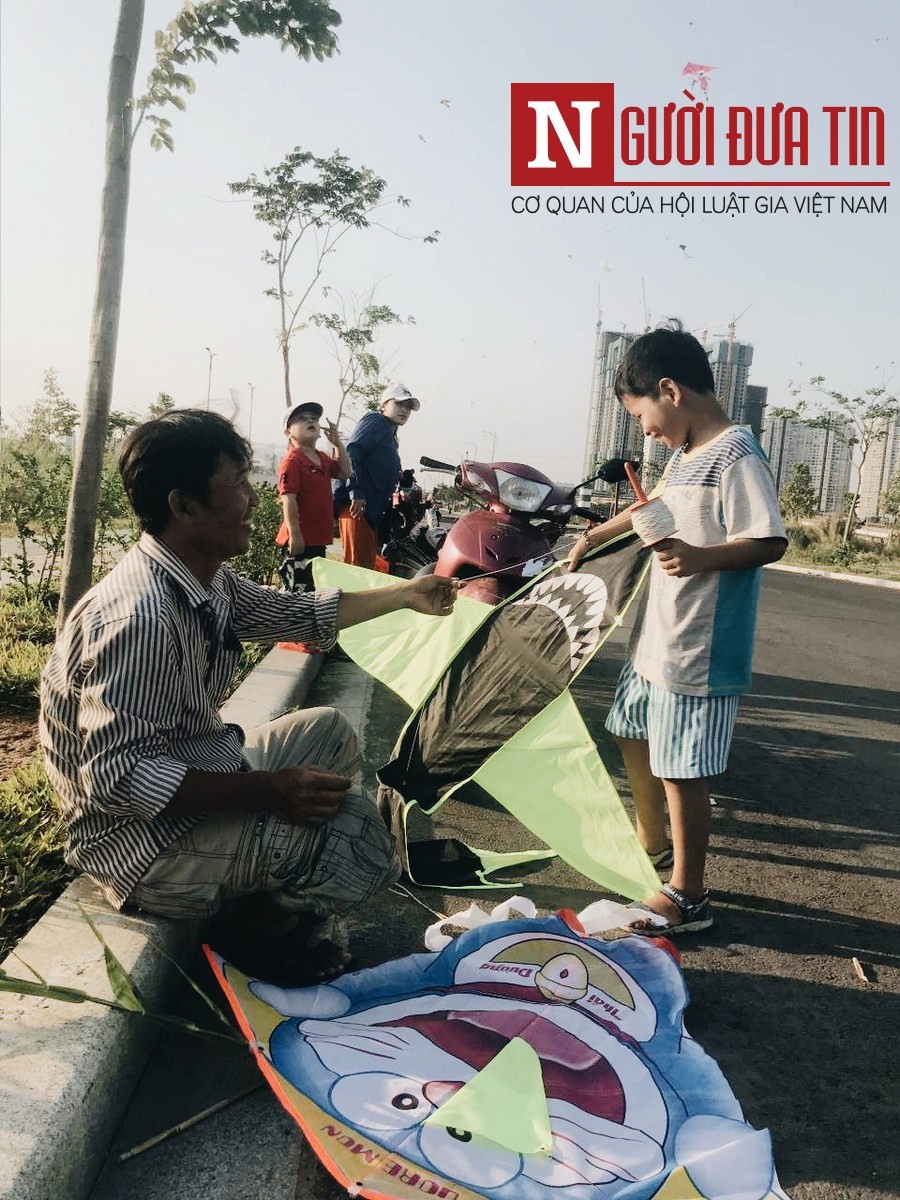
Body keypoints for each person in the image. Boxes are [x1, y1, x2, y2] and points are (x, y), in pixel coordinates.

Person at [39, 409, 459, 985]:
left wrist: (407, 594)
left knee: (329, 732)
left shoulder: (203, 577)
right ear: (182, 506)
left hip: (200, 772)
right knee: (356, 840)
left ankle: (254, 906)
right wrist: (267, 789)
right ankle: (248, 931)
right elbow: (115, 781)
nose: (252, 500)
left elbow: (302, 613)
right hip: (139, 842)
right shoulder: (139, 618)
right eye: (236, 484)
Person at [568, 321, 786, 936]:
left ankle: (689, 894)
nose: (646, 432)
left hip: (700, 647)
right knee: (628, 726)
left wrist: (700, 557)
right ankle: (652, 840)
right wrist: (593, 536)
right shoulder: (688, 458)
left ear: (669, 390)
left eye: (641, 417)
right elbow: (651, 508)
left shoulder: (736, 454)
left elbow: (769, 539)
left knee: (681, 770)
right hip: (657, 640)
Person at [334, 383, 420, 568]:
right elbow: (352, 451)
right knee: (356, 569)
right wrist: (356, 492)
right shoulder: (376, 422)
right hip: (357, 507)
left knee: (366, 566)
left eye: (408, 407)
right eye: (399, 404)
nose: (405, 410)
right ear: (383, 406)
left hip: (369, 510)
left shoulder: (390, 434)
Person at [275, 401, 349, 593]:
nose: (310, 421)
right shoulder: (292, 461)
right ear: (288, 432)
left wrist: (338, 443)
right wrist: (295, 534)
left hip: (317, 539)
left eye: (314, 418)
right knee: (297, 591)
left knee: (313, 588)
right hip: (300, 540)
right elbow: (288, 499)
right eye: (301, 419)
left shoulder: (322, 457)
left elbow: (345, 472)